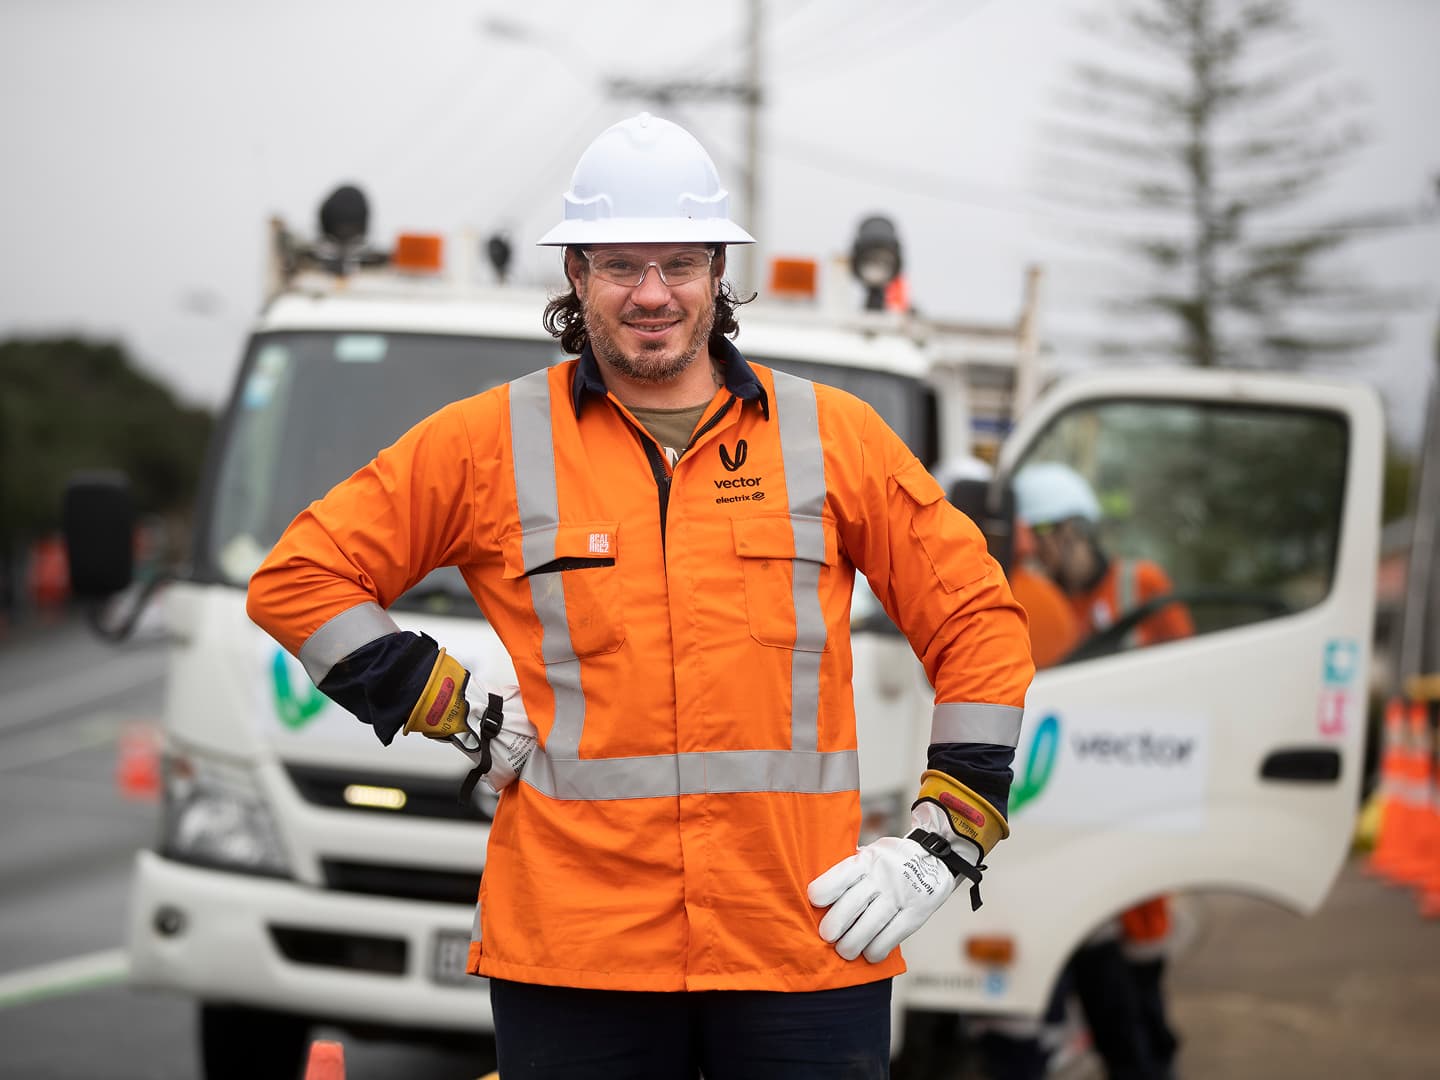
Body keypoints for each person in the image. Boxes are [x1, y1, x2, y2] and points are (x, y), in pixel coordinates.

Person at [247, 112, 1035, 1080]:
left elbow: (978, 623)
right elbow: (299, 577)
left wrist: (946, 836)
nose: (652, 293)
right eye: (622, 265)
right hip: (578, 954)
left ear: (717, 274)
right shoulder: (491, 442)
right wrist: (451, 705)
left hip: (801, 940)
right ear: (576, 276)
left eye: (679, 264)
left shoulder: (834, 437)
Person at [1011, 461, 1188, 1080]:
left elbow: (1193, 684)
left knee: (1141, 960)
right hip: (1077, 803)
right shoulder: (1050, 605)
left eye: (1043, 543)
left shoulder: (1140, 587)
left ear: (1071, 532)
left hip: (1139, 796)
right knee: (1102, 963)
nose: (1038, 559)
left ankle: (1153, 1056)